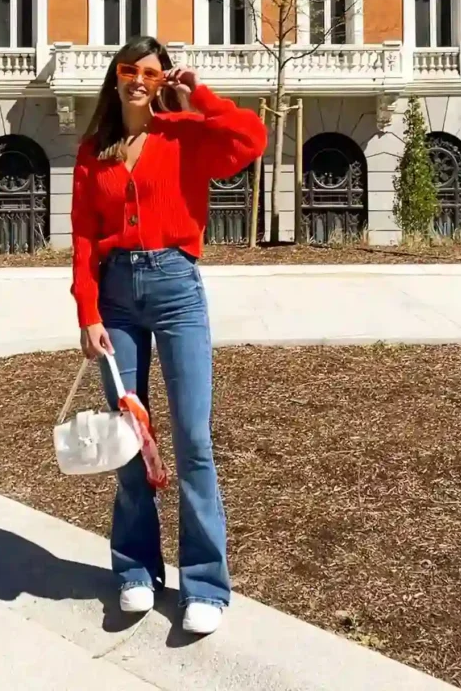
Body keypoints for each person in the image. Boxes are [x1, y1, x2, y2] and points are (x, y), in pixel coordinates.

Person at [70, 35, 267, 635]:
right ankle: (135, 571)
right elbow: (81, 235)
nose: (139, 80)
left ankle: (205, 583)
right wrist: (88, 312)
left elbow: (250, 138)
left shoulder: (184, 134)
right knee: (130, 437)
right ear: (116, 77)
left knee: (191, 438)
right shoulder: (94, 149)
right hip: (116, 298)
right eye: (130, 69)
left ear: (162, 80)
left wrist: (196, 91)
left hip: (178, 287)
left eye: (152, 72)